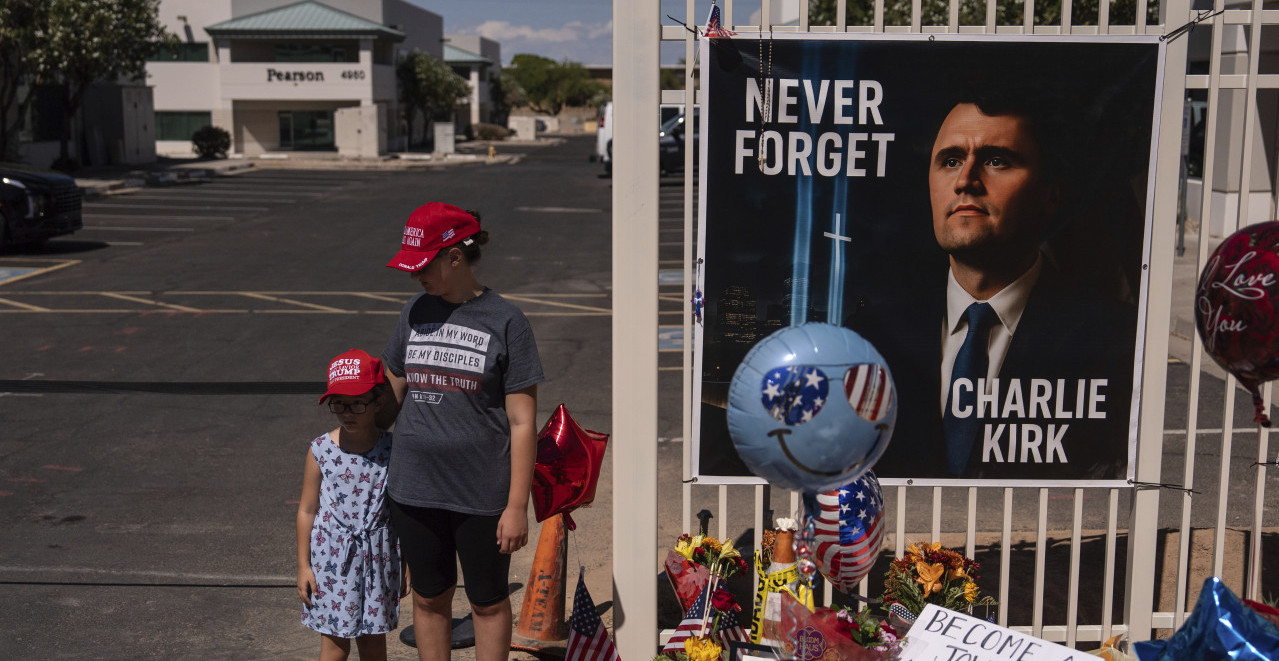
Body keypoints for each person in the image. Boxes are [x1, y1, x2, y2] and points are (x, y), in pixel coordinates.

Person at [849, 94, 1136, 480]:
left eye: (996, 160)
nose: (965, 181)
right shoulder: (870, 336)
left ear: (1051, 194)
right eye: (951, 161)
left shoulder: (1114, 340)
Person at [380, 202, 543, 661]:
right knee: (429, 598)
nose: (415, 276)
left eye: (423, 266)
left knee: (487, 602)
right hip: (414, 488)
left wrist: (517, 506)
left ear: (455, 257)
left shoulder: (506, 321)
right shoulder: (414, 311)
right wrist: (353, 414)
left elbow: (522, 422)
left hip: (481, 494)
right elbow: (393, 387)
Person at [296, 348, 404, 661]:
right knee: (334, 646)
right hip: (332, 561)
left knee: (373, 644)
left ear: (378, 402)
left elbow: (402, 510)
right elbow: (306, 510)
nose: (347, 413)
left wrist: (407, 563)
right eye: (339, 404)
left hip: (378, 559)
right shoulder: (320, 450)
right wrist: (303, 566)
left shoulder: (392, 449)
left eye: (357, 403)